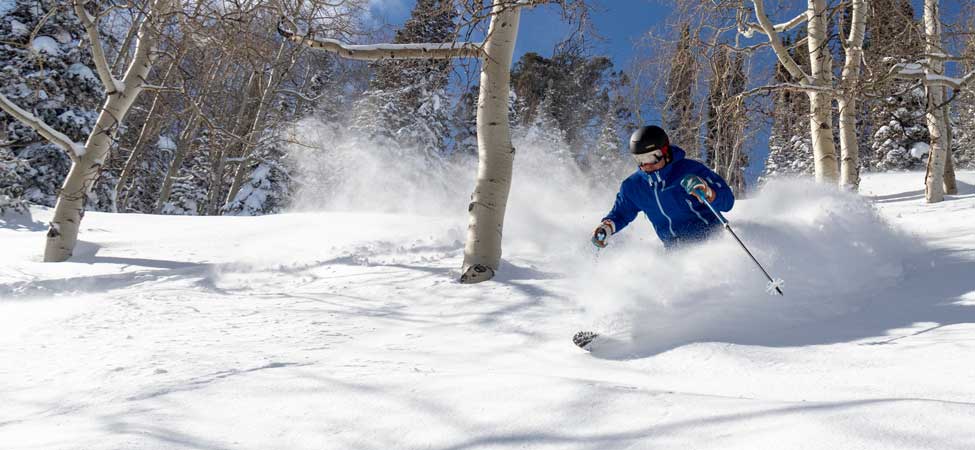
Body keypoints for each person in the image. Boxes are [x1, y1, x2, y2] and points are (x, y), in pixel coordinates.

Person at [592, 125, 735, 249]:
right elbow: (621, 214)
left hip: (714, 243)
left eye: (651, 157)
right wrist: (607, 227)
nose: (647, 164)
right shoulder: (634, 187)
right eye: (640, 159)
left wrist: (708, 192)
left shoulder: (690, 170)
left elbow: (727, 202)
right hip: (675, 252)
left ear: (665, 151)